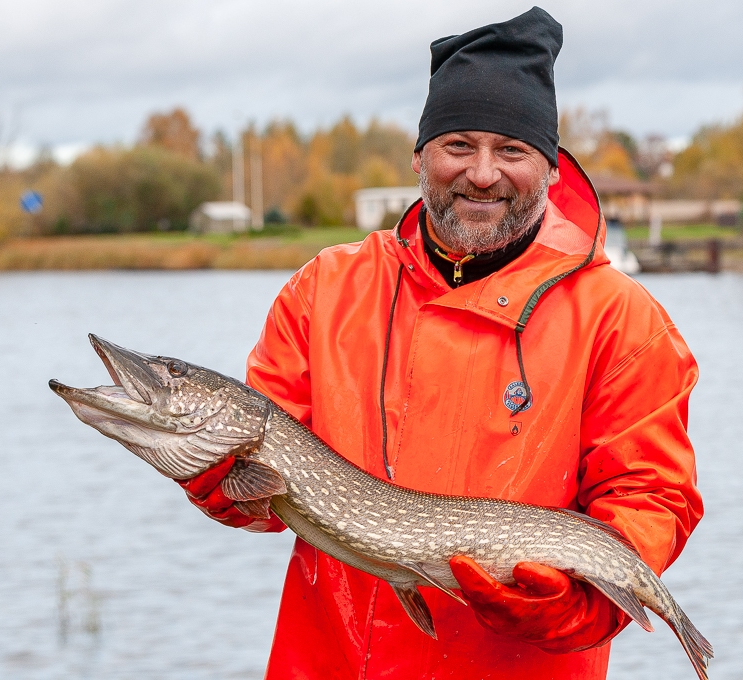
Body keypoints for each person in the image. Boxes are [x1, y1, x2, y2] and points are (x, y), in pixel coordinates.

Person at [178, 7, 703, 679]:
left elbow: (651, 496)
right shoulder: (325, 289)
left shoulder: (620, 319)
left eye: (511, 150)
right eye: (459, 145)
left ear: (550, 167)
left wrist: (564, 606)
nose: (482, 174)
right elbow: (258, 497)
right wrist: (205, 465)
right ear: (420, 155)